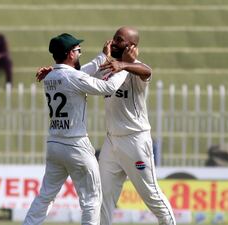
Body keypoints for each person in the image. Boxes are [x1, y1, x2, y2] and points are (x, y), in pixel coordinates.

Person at [37, 27, 176, 225]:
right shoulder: (108, 67)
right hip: (111, 142)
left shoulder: (134, 67)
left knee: (152, 196)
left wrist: (125, 64)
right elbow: (78, 75)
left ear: (132, 46)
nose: (114, 41)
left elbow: (148, 71)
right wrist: (56, 71)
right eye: (114, 37)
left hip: (135, 140)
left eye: (119, 39)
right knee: (103, 199)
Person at [23, 33, 128, 225]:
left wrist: (101, 57)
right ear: (71, 54)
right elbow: (106, 87)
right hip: (76, 144)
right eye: (78, 51)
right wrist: (125, 68)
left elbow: (79, 74)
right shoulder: (72, 77)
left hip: (54, 144)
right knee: (92, 200)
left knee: (45, 197)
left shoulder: (50, 76)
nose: (80, 54)